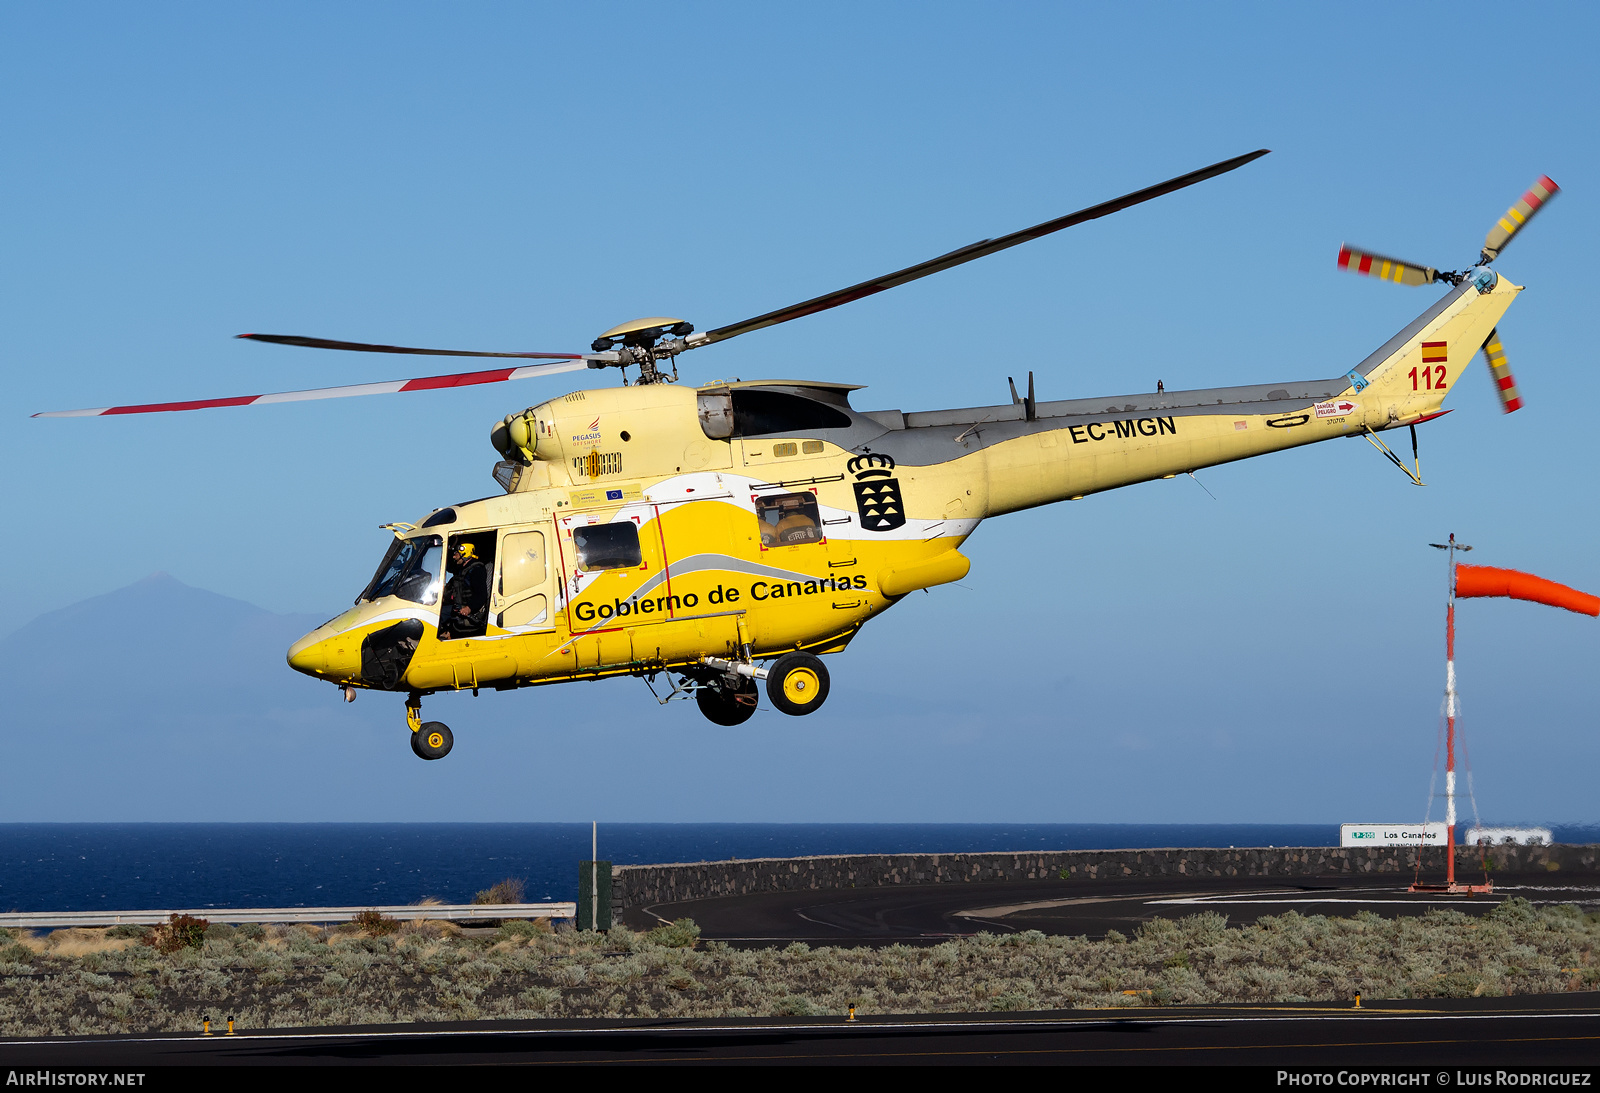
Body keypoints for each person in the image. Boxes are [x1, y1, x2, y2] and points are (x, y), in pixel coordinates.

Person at [441, 541, 489, 638]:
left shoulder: (476, 570)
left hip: (470, 611)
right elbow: (448, 566)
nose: (454, 557)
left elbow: (481, 594)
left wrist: (469, 608)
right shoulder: (461, 569)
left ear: (464, 554)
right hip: (458, 607)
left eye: (456, 554)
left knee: (440, 614)